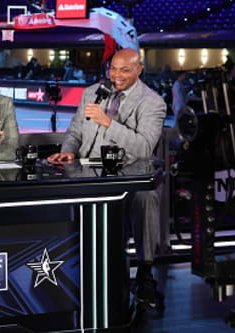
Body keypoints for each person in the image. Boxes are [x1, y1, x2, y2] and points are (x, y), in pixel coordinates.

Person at [47, 48, 166, 309]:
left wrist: (108, 123)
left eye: (124, 70)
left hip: (127, 175)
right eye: (113, 69)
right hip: (88, 174)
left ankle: (145, 274)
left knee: (146, 198)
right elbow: (75, 130)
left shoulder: (152, 102)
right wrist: (67, 150)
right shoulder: (92, 92)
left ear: (139, 70)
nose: (117, 75)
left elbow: (145, 147)